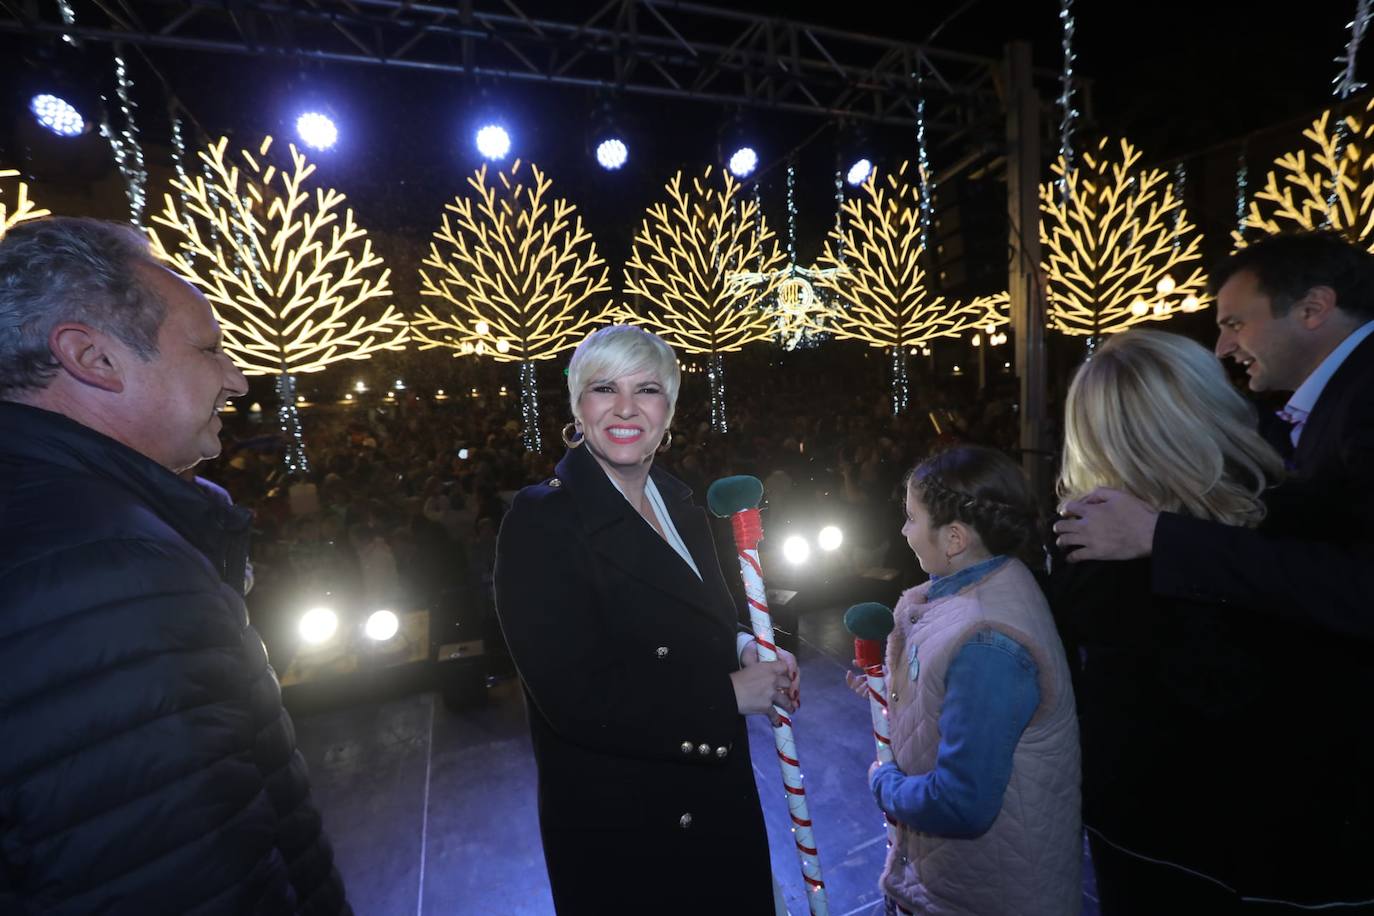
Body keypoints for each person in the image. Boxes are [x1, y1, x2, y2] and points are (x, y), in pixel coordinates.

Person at [0, 218, 350, 913]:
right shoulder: (106, 572)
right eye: (209, 349)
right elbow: (190, 877)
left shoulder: (60, 526)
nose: (238, 380)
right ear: (93, 358)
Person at [494, 325, 798, 914]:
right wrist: (728, 695)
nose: (627, 408)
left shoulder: (677, 502)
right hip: (632, 831)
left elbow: (700, 618)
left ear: (670, 410)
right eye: (605, 388)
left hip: (715, 800)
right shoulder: (541, 522)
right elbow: (573, 699)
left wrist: (745, 646)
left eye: (648, 390)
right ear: (578, 407)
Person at [1050, 329, 1344, 911]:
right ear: (1209, 403)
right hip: (1295, 841)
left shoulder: (1086, 541)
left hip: (1149, 829)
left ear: (1091, 431)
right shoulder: (1301, 520)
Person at [1054, 231, 1374, 638]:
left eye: (1235, 324)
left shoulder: (1359, 401)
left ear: (1313, 309)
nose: (1222, 348)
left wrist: (1162, 537)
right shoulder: (1319, 418)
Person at [847, 445, 1080, 916]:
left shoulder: (988, 642)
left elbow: (961, 802)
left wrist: (885, 786)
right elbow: (952, 695)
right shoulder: (991, 580)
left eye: (912, 518)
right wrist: (895, 692)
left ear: (954, 538)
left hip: (984, 895)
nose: (904, 531)